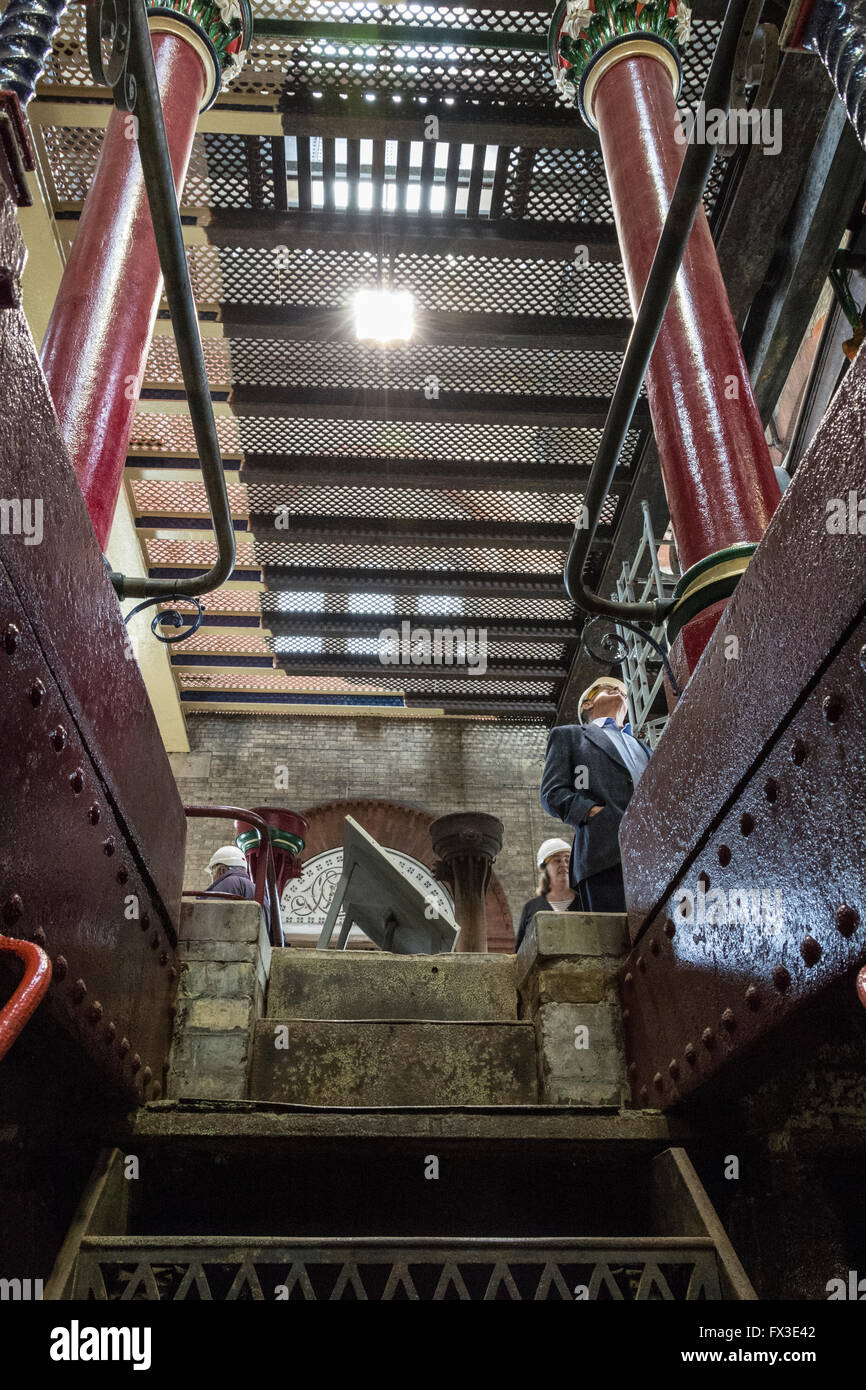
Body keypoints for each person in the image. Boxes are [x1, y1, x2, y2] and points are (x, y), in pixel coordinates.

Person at [540, 677, 652, 914]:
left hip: (655, 857)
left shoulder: (644, 748)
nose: (618, 689)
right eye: (607, 687)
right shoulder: (570, 736)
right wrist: (591, 813)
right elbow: (553, 792)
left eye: (622, 689)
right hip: (604, 855)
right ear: (587, 705)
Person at [515, 837, 581, 949]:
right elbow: (520, 951)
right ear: (545, 868)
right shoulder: (532, 907)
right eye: (557, 860)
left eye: (567, 859)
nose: (564, 864)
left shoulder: (584, 902)